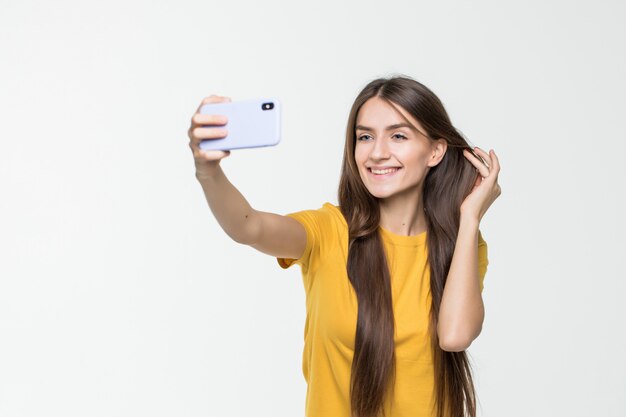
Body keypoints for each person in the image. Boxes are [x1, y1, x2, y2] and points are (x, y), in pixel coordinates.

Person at [187, 75, 501, 417]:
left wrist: (470, 218)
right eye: (365, 136)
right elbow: (248, 226)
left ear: (435, 151)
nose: (377, 152)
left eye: (398, 135)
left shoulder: (461, 245)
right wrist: (208, 171)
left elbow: (455, 337)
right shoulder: (329, 231)